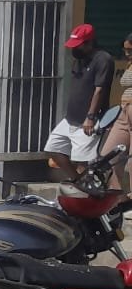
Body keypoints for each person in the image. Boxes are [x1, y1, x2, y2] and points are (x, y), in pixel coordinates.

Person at [45, 23, 115, 179]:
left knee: (83, 160)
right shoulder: (80, 59)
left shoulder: (103, 59)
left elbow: (99, 90)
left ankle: (88, 191)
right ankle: (77, 181)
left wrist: (90, 117)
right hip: (70, 119)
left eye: (79, 46)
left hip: (88, 120)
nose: (74, 49)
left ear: (89, 43)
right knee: (54, 147)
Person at [99, 32, 132, 191]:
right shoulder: (130, 64)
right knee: (109, 156)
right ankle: (115, 196)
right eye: (125, 50)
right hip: (124, 112)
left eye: (130, 50)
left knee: (131, 164)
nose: (127, 54)